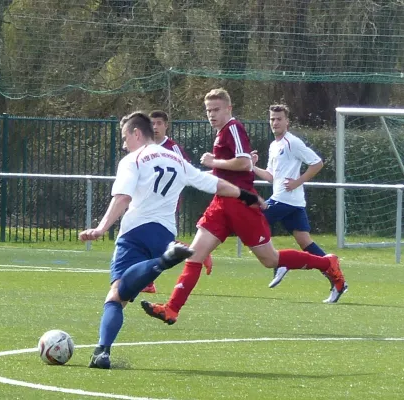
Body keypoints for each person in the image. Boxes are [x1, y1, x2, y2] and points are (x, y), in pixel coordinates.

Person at [141, 88, 348, 326]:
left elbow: (244, 163)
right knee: (195, 256)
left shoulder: (233, 128)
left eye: (216, 109)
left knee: (270, 260)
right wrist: (198, 174)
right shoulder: (221, 134)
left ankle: (326, 262)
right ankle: (171, 309)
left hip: (240, 205)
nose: (211, 114)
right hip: (221, 204)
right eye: (208, 110)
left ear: (229, 109)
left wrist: (213, 161)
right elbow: (224, 171)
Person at [78, 111, 263, 369]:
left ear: (136, 133)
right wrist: (246, 195)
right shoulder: (176, 159)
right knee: (125, 289)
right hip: (165, 233)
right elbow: (214, 184)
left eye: (124, 137)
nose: (123, 145)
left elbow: (122, 198)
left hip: (135, 231)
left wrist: (101, 227)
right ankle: (163, 260)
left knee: (116, 295)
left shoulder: (133, 160)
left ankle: (102, 351)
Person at [251, 104, 331, 288]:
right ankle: (336, 276)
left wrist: (298, 181)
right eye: (272, 119)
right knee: (305, 241)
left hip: (284, 199)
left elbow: (317, 163)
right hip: (293, 201)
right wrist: (251, 166)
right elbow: (271, 177)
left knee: (255, 222)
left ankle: (281, 262)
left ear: (287, 121)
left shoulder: (292, 142)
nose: (275, 122)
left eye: (279, 119)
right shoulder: (274, 145)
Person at [139, 110, 213, 294]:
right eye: (152, 123)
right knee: (151, 238)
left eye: (159, 123)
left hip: (167, 202)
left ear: (166, 125)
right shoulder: (144, 147)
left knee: (154, 239)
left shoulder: (173, 147)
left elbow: (186, 170)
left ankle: (149, 282)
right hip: (146, 201)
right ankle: (196, 251)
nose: (155, 127)